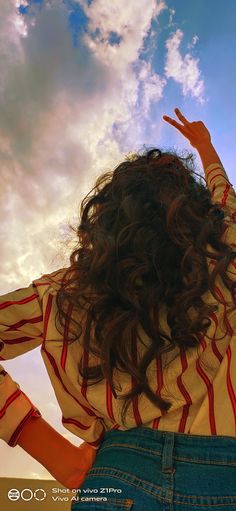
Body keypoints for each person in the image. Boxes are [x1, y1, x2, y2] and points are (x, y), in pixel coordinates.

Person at [0, 108, 236, 510]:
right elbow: (226, 202)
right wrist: (205, 147)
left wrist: (48, 448)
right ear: (197, 209)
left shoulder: (64, 290)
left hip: (113, 480)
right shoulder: (225, 257)